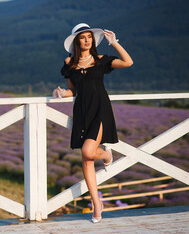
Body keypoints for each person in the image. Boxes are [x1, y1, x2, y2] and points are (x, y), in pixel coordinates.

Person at [52, 23, 133, 223]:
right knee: (86, 159)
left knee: (88, 151)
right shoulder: (70, 64)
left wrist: (114, 43)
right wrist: (62, 93)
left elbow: (128, 62)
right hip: (81, 112)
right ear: (76, 42)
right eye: (83, 37)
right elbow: (74, 90)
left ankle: (105, 153)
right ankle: (97, 202)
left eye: (90, 37)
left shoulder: (100, 60)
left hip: (100, 110)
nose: (87, 40)